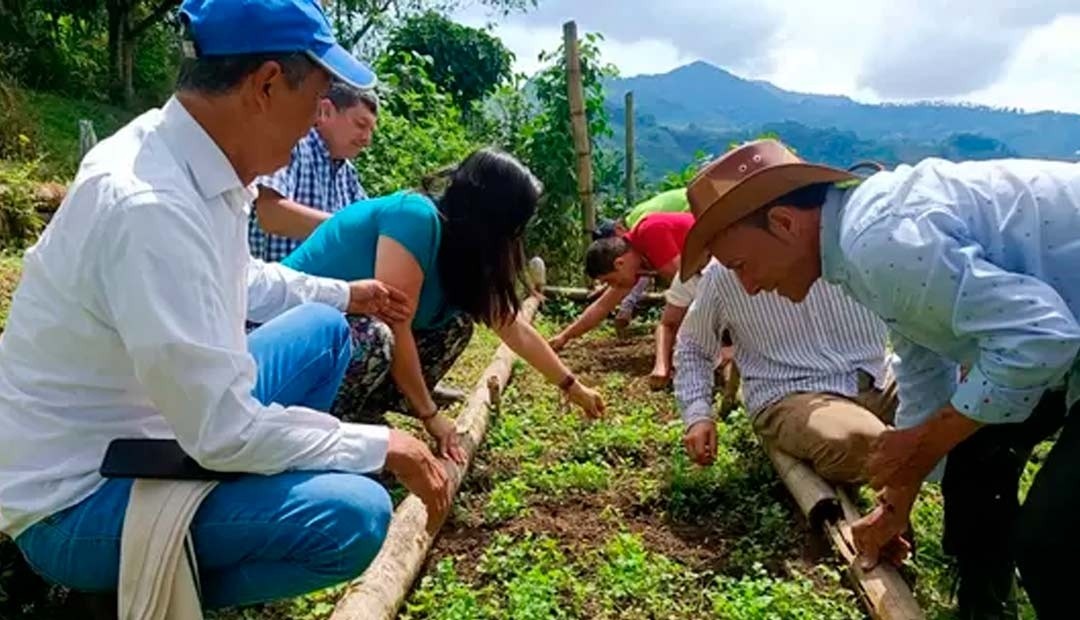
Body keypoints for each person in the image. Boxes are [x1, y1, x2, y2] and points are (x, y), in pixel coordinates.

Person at [0, 0, 453, 609]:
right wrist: (381, 445)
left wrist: (347, 293)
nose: (314, 121)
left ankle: (213, 528)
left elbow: (242, 277)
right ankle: (115, 594)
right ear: (266, 84)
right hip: (79, 492)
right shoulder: (151, 206)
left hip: (161, 422)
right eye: (316, 96)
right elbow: (221, 432)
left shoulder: (190, 161)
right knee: (354, 515)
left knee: (323, 328)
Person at [680, 138, 1080, 619]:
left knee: (1054, 542)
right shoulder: (856, 245)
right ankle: (985, 610)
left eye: (743, 266)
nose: (748, 286)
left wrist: (926, 440)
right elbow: (923, 364)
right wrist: (896, 503)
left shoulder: (878, 241)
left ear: (784, 223)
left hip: (1061, 336)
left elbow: (1041, 336)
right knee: (976, 450)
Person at [282, 148, 607, 461]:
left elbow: (514, 329)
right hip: (287, 342)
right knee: (377, 336)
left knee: (457, 324)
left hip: (347, 341)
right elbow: (397, 327)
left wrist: (573, 387)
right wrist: (430, 416)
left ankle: (364, 414)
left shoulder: (463, 251)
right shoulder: (415, 217)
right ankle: (324, 429)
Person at [675, 259, 895, 487]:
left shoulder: (854, 249)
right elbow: (693, 346)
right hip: (792, 391)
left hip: (878, 373)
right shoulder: (723, 275)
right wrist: (697, 414)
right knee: (856, 440)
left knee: (934, 399)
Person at [550, 212, 695, 390]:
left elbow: (690, 289)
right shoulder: (635, 256)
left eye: (610, 280)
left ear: (619, 263)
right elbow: (602, 307)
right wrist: (564, 336)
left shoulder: (650, 235)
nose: (612, 286)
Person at [248, 81, 378, 263]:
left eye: (371, 131)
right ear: (325, 111)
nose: (367, 139)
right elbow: (270, 214)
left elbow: (368, 224)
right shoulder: (294, 145)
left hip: (323, 289)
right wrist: (344, 228)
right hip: (275, 287)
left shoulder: (347, 173)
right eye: (361, 124)